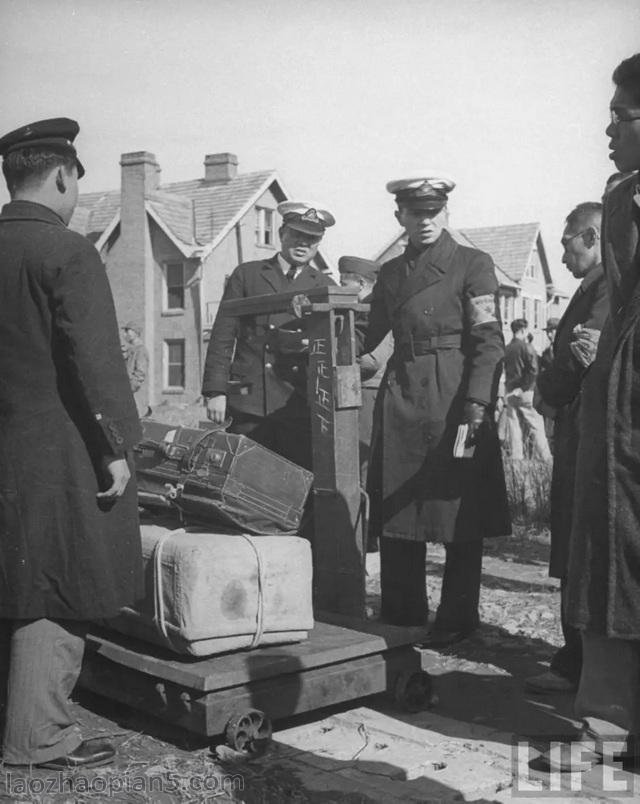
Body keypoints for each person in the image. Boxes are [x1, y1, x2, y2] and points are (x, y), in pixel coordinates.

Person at [0, 119, 143, 768]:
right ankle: (39, 737)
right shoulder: (67, 253)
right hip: (54, 450)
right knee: (57, 579)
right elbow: (95, 363)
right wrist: (117, 444)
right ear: (62, 176)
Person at [540, 53, 640, 772]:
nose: (608, 128)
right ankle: (606, 726)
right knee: (612, 558)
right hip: (619, 410)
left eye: (622, 115)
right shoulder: (625, 198)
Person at [364, 173, 510, 644]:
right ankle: (403, 616)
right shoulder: (389, 275)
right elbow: (366, 335)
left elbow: (489, 341)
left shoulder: (472, 263)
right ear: (399, 217)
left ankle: (457, 619)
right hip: (404, 393)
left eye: (433, 212)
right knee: (397, 512)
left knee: (458, 512)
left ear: (446, 214)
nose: (424, 221)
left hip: (454, 397)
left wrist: (477, 403)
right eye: (415, 213)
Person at [525, 203, 607, 696]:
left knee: (580, 543)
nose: (563, 250)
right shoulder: (592, 286)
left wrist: (548, 392)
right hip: (577, 427)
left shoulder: (605, 287)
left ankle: (576, 664)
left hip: (586, 428)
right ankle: (571, 658)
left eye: (568, 240)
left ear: (593, 236)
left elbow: (582, 356)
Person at [201, 202, 335, 470]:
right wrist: (216, 391)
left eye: (311, 239)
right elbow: (223, 336)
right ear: (281, 233)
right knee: (244, 482)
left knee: (293, 485)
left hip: (296, 404)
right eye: (296, 235)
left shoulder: (325, 286)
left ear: (319, 243)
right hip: (250, 402)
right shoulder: (248, 275)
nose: (303, 243)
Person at [503, 318, 551, 461]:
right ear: (523, 330)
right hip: (526, 392)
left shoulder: (507, 348)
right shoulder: (527, 347)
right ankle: (545, 457)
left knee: (514, 427)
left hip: (510, 392)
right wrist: (523, 388)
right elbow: (533, 371)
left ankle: (516, 459)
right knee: (536, 426)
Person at [122, 320, 150, 417]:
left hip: (135, 397)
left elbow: (140, 375)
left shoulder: (141, 351)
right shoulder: (131, 350)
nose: (124, 334)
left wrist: (127, 391)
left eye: (127, 330)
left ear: (135, 332)